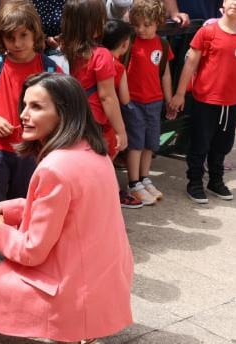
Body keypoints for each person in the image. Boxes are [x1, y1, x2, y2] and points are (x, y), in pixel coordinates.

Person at [0, 72, 134, 344]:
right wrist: (4, 210)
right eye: (24, 106)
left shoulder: (55, 166)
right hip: (105, 277)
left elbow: (31, 251)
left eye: (37, 107)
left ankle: (67, 332)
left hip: (71, 289)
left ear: (63, 112)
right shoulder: (96, 151)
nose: (24, 115)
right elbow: (58, 207)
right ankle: (74, 336)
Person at [0, 0, 61, 209]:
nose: (17, 43)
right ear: (1, 38)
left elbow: (65, 105)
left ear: (35, 34)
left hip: (33, 150)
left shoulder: (47, 68)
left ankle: (15, 242)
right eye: (10, 37)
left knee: (24, 206)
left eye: (23, 36)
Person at [169, 0, 236, 204]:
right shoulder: (208, 31)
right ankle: (195, 182)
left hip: (230, 103)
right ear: (223, 4)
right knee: (200, 143)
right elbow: (190, 64)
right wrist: (179, 94)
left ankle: (215, 181)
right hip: (205, 99)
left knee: (222, 145)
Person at [61, 0, 128, 160]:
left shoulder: (62, 50)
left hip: (67, 119)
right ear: (95, 25)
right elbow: (108, 97)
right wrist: (121, 130)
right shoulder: (101, 55)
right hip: (92, 122)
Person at [123, 0, 175, 205]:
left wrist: (169, 98)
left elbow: (166, 75)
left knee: (150, 143)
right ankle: (133, 183)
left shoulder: (162, 43)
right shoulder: (130, 42)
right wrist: (125, 101)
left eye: (147, 24)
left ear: (158, 22)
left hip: (154, 101)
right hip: (133, 101)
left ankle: (144, 178)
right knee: (135, 144)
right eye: (137, 25)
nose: (141, 29)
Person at [102, 19, 145, 209]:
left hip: (89, 119)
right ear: (125, 44)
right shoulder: (118, 67)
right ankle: (111, 195)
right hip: (109, 121)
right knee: (106, 161)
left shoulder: (89, 58)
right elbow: (125, 98)